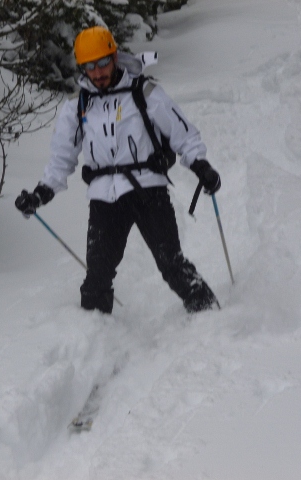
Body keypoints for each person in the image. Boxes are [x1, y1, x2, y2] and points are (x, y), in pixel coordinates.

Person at [15, 26, 221, 315]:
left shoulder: (145, 92)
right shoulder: (77, 107)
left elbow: (182, 135)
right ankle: (96, 338)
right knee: (96, 277)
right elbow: (62, 158)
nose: (97, 72)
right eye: (89, 66)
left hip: (149, 190)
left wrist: (202, 166)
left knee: (171, 263)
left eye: (102, 63)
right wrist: (40, 194)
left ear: (114, 57)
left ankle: (210, 316)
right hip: (104, 198)